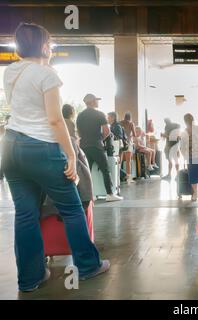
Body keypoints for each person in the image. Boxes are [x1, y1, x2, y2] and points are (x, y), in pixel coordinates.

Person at [1, 23, 109, 292]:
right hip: (41, 149)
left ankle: (30, 278)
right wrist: (71, 156)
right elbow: (54, 119)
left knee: (25, 214)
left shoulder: (11, 72)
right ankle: (87, 265)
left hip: (11, 146)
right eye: (50, 44)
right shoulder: (46, 75)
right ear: (44, 45)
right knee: (72, 209)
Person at [77, 94, 123, 202]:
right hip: (96, 146)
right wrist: (100, 139)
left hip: (84, 146)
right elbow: (107, 131)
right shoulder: (99, 114)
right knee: (105, 170)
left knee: (86, 172)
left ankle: (89, 196)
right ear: (92, 102)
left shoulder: (80, 116)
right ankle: (110, 194)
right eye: (96, 100)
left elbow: (79, 132)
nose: (98, 102)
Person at [179, 113, 198, 201]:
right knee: (193, 176)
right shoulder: (185, 132)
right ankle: (195, 193)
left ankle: (197, 193)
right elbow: (182, 146)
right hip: (191, 156)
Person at [120, 112, 137, 182]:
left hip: (121, 143)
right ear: (130, 117)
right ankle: (128, 178)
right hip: (128, 143)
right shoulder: (131, 123)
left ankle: (118, 176)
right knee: (128, 161)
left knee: (119, 161)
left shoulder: (120, 122)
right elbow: (134, 134)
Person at [0, 115, 11, 180]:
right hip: (4, 145)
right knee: (4, 160)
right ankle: (1, 175)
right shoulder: (3, 127)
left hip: (11, 145)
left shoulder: (14, 127)